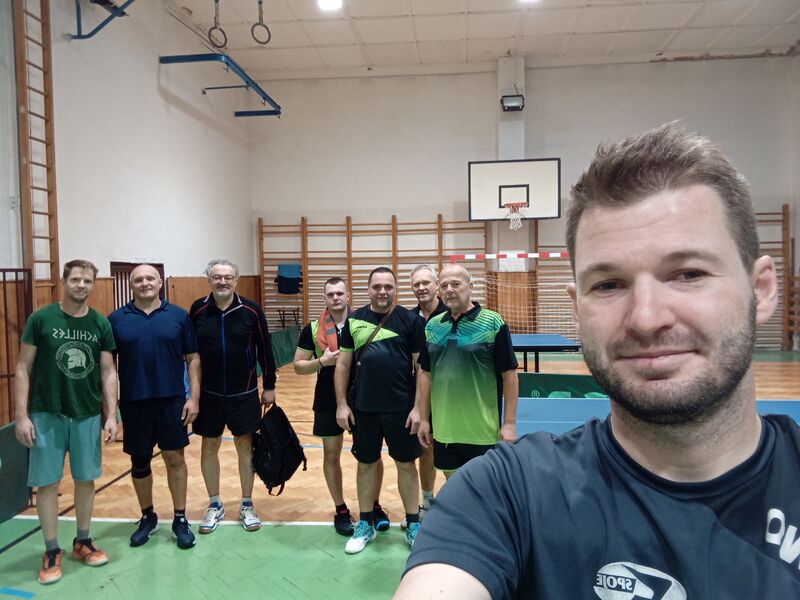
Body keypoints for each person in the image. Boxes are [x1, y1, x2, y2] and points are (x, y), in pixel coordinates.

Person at [395, 122, 796, 598]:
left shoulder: (491, 324)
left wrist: (507, 419)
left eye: (688, 273)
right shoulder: (506, 492)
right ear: (577, 307)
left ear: (760, 290)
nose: (646, 318)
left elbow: (507, 374)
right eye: (608, 284)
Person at [14, 260, 118, 585]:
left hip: (87, 413)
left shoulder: (100, 324)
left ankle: (82, 541)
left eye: (87, 280)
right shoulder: (41, 319)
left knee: (86, 479)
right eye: (76, 279)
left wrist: (111, 414)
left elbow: (108, 371)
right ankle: (50, 549)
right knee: (47, 483)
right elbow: (22, 367)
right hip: (46, 412)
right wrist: (21, 415)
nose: (81, 285)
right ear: (64, 281)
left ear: (93, 284)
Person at [108, 264, 201, 550]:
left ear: (160, 283)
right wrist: (111, 412)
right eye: (138, 279)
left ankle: (180, 519)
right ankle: (147, 517)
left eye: (150, 278)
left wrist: (193, 398)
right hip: (134, 403)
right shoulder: (116, 319)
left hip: (172, 401)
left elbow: (193, 359)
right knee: (139, 462)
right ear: (132, 285)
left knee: (175, 459)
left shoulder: (179, 316)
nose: (145, 283)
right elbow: (108, 369)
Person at [334, 267, 425, 554]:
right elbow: (343, 365)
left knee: (406, 465)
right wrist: (341, 404)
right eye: (377, 286)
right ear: (368, 289)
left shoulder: (411, 321)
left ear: (395, 289)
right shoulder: (354, 321)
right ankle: (366, 524)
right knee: (366, 465)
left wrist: (419, 408)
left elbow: (421, 368)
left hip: (402, 409)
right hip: (364, 409)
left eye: (388, 286)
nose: (382, 291)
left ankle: (413, 524)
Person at [190, 259, 277, 534]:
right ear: (209, 280)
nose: (223, 282)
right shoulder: (198, 309)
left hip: (245, 394)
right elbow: (191, 355)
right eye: (217, 277)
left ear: (236, 280)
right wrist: (191, 393)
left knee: (245, 447)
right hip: (209, 395)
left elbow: (265, 349)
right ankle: (215, 504)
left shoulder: (251, 310)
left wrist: (270, 384)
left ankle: (247, 504)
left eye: (228, 277)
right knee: (209, 446)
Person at [412, 264, 518, 480]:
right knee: (454, 485)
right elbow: (426, 374)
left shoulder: (492, 322)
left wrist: (509, 423)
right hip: (444, 431)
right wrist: (424, 419)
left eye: (456, 284)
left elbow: (509, 375)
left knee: (484, 488)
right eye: (444, 286)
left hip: (482, 432)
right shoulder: (433, 326)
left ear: (470, 286)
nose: (449, 290)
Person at [294, 277, 374, 536]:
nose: (336, 298)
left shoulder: (362, 323)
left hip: (362, 394)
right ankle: (340, 509)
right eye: (331, 294)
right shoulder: (313, 328)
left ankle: (373, 505)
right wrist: (322, 362)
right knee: (331, 454)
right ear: (324, 298)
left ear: (348, 295)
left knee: (370, 454)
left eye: (340, 293)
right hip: (327, 397)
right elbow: (298, 366)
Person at [407, 264, 447, 521]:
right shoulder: (408, 319)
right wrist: (417, 406)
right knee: (425, 450)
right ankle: (427, 501)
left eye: (426, 282)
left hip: (449, 396)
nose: (421, 287)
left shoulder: (452, 313)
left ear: (436, 285)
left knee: (453, 451)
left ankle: (460, 502)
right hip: (419, 396)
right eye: (416, 284)